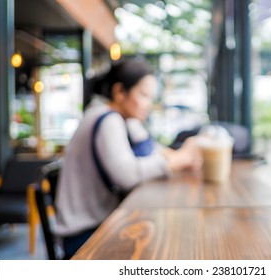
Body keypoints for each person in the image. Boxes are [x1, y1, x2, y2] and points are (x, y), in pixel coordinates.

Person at [55, 58, 202, 258]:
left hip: (98, 224)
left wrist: (179, 156)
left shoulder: (114, 115)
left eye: (151, 97)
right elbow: (127, 175)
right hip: (85, 235)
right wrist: (175, 161)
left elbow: (150, 148)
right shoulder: (107, 119)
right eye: (143, 95)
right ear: (119, 92)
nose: (149, 104)